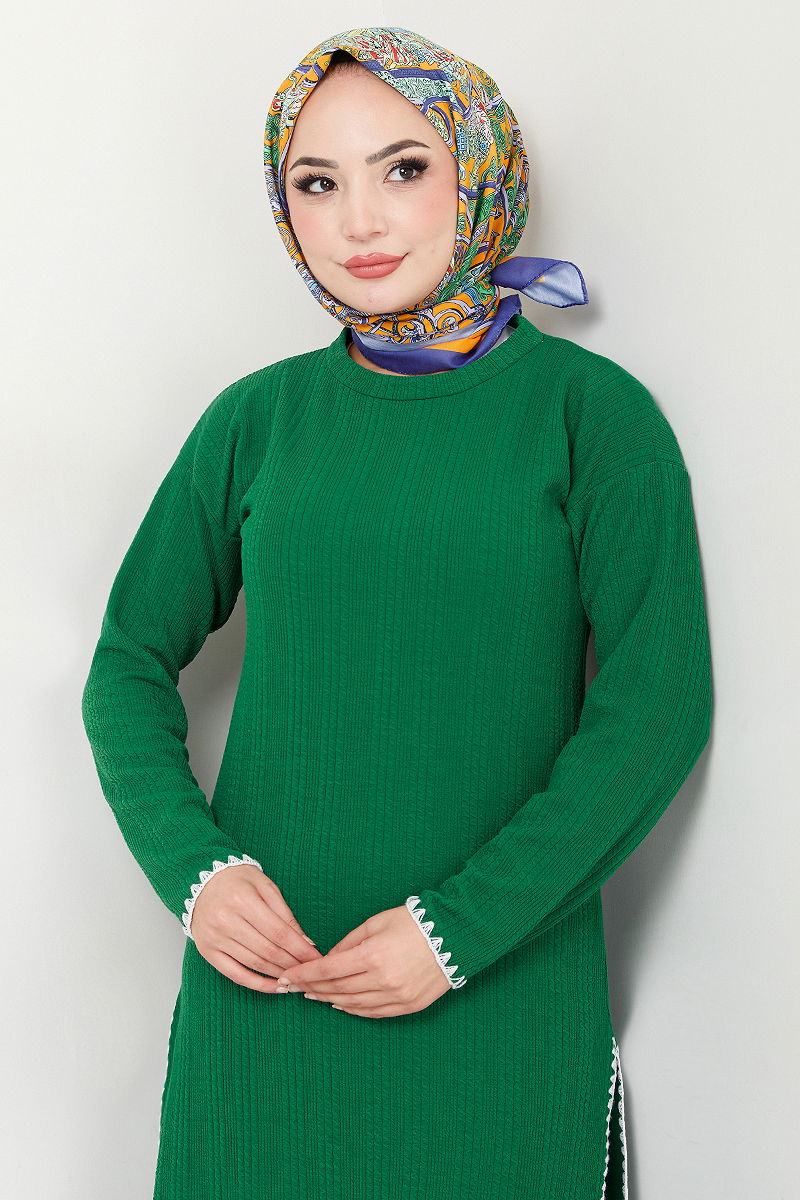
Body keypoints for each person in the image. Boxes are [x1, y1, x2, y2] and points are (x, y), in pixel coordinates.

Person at [81, 25, 713, 1200]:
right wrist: (195, 873)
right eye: (316, 184)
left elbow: (654, 708)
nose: (357, 222)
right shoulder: (257, 419)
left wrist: (456, 929)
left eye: (403, 168)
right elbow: (126, 660)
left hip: (495, 995)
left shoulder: (591, 416)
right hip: (265, 1004)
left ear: (480, 171)